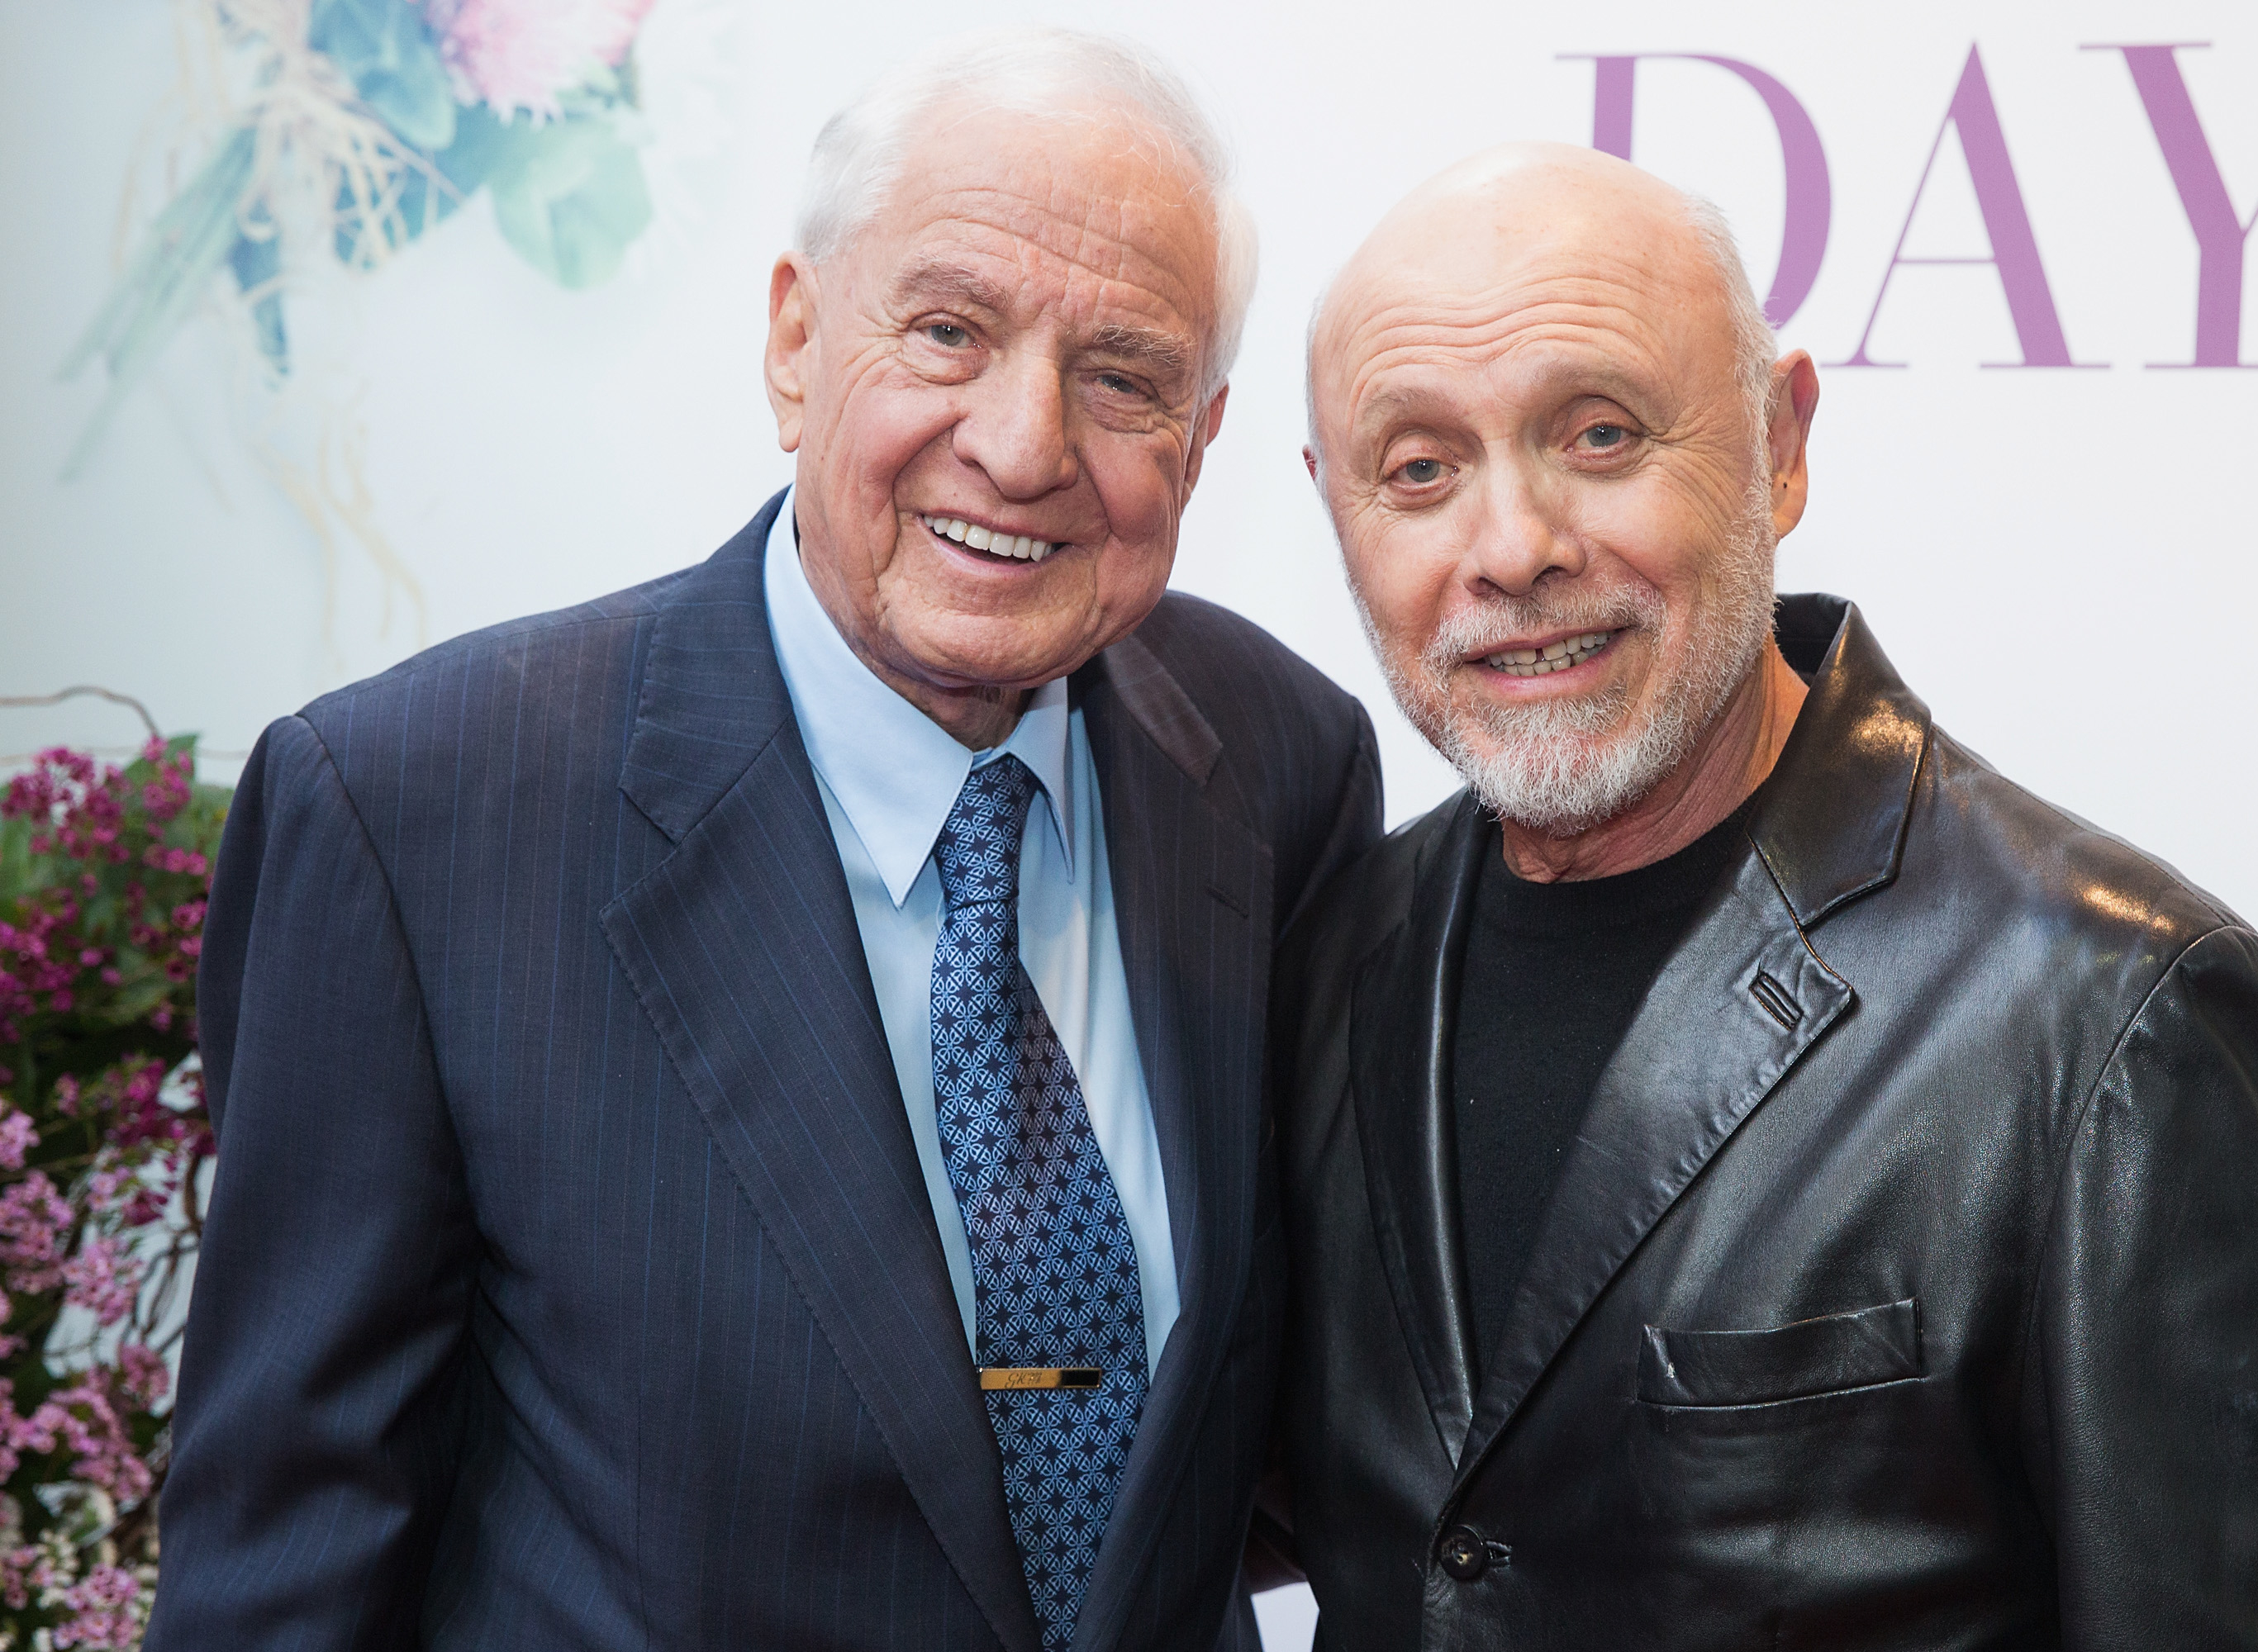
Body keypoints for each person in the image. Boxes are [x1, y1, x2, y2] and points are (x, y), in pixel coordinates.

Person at [151, 29, 1378, 1652]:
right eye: (948, 331)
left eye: (1123, 374)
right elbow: (284, 1574)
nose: (1022, 444)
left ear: (1205, 438)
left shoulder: (1282, 759)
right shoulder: (412, 813)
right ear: (796, 339)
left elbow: (1281, 1424)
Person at [1264, 142, 2258, 1648]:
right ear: (1334, 507)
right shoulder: (1330, 955)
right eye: (1419, 470)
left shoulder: (2116, 1018)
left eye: (1602, 435)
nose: (1510, 549)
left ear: (1780, 445)